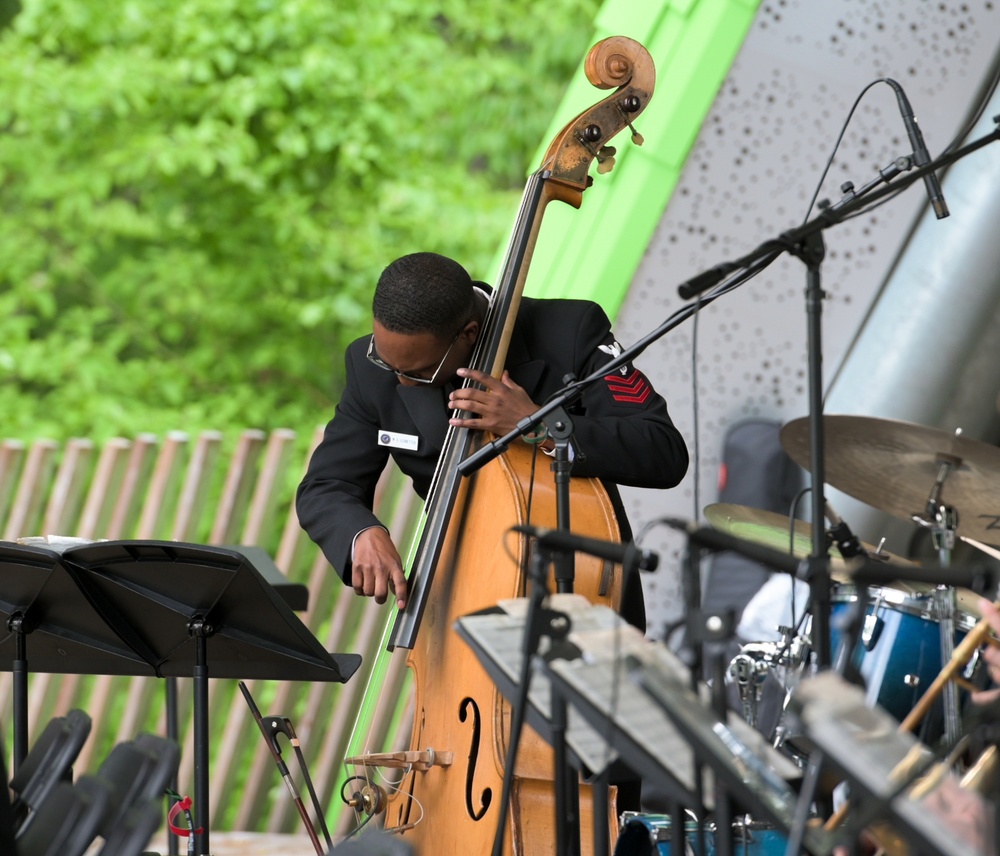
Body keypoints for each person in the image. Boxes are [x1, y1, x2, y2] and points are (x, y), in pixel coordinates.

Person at [296, 251, 689, 630]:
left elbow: (662, 450)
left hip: (578, 594)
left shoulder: (571, 330)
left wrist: (537, 423)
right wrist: (360, 533)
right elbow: (327, 485)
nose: (399, 380)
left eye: (418, 373)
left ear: (468, 333)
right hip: (459, 596)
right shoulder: (372, 369)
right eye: (387, 363)